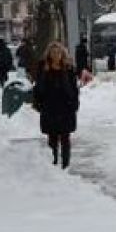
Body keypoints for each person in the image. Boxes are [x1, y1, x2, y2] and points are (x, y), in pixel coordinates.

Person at [31, 41, 80, 169]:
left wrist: (74, 102)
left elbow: (74, 88)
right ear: (49, 54)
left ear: (62, 54)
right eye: (53, 52)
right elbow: (39, 88)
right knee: (52, 137)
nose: (56, 55)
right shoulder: (43, 68)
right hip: (49, 106)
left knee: (65, 137)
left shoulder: (68, 68)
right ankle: (53, 164)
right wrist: (38, 103)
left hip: (66, 107)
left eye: (58, 52)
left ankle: (65, 165)